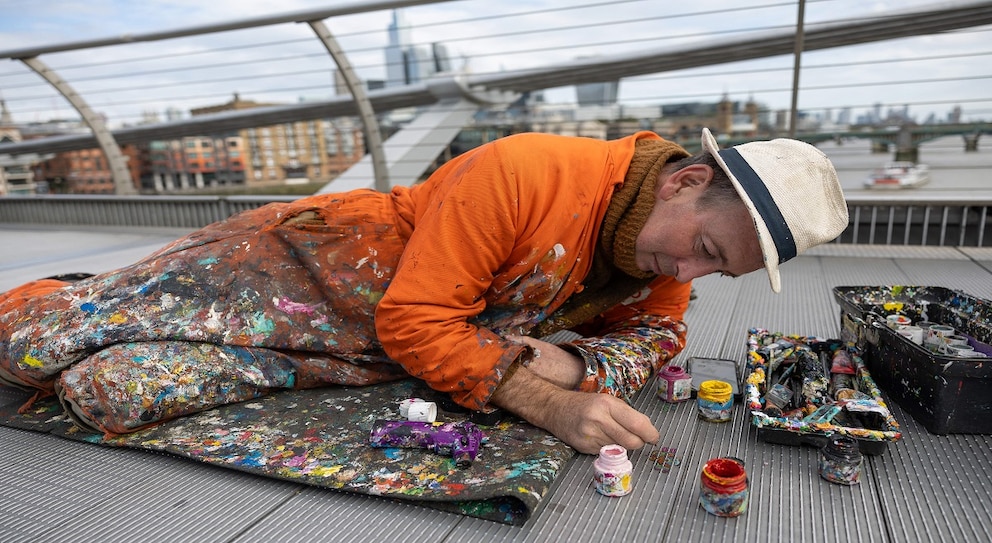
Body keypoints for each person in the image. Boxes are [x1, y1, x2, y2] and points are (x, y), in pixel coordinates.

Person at [0, 128, 848, 455]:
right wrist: (544, 398)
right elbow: (416, 314)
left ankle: (99, 321)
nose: (689, 280)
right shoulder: (529, 171)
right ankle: (80, 292)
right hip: (291, 271)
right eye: (702, 247)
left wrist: (567, 356)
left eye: (718, 273)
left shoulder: (663, 259)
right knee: (31, 344)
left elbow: (658, 337)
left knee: (106, 394)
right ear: (684, 180)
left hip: (352, 353)